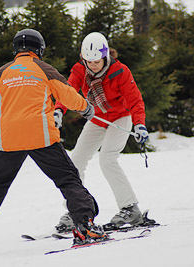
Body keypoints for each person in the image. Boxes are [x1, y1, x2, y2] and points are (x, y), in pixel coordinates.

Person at [0, 29, 108, 256]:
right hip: (41, 136)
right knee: (68, 179)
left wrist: (10, 123)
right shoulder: (44, 69)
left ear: (15, 50)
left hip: (7, 139)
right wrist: (86, 108)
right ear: (39, 49)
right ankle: (85, 227)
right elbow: (67, 93)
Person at [54, 32, 149, 232]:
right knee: (76, 160)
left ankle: (130, 208)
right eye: (89, 61)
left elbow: (135, 101)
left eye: (97, 61)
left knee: (107, 159)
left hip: (121, 118)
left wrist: (139, 124)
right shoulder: (80, 69)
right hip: (97, 118)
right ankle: (75, 211)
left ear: (105, 56)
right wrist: (58, 111)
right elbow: (67, 91)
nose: (93, 65)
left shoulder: (119, 71)